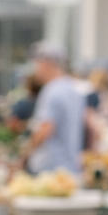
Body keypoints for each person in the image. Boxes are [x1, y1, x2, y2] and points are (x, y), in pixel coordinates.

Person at [22, 41, 87, 176]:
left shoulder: (51, 90)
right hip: (69, 167)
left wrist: (26, 154)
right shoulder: (73, 89)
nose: (35, 69)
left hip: (49, 170)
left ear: (47, 63)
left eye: (37, 63)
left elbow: (46, 128)